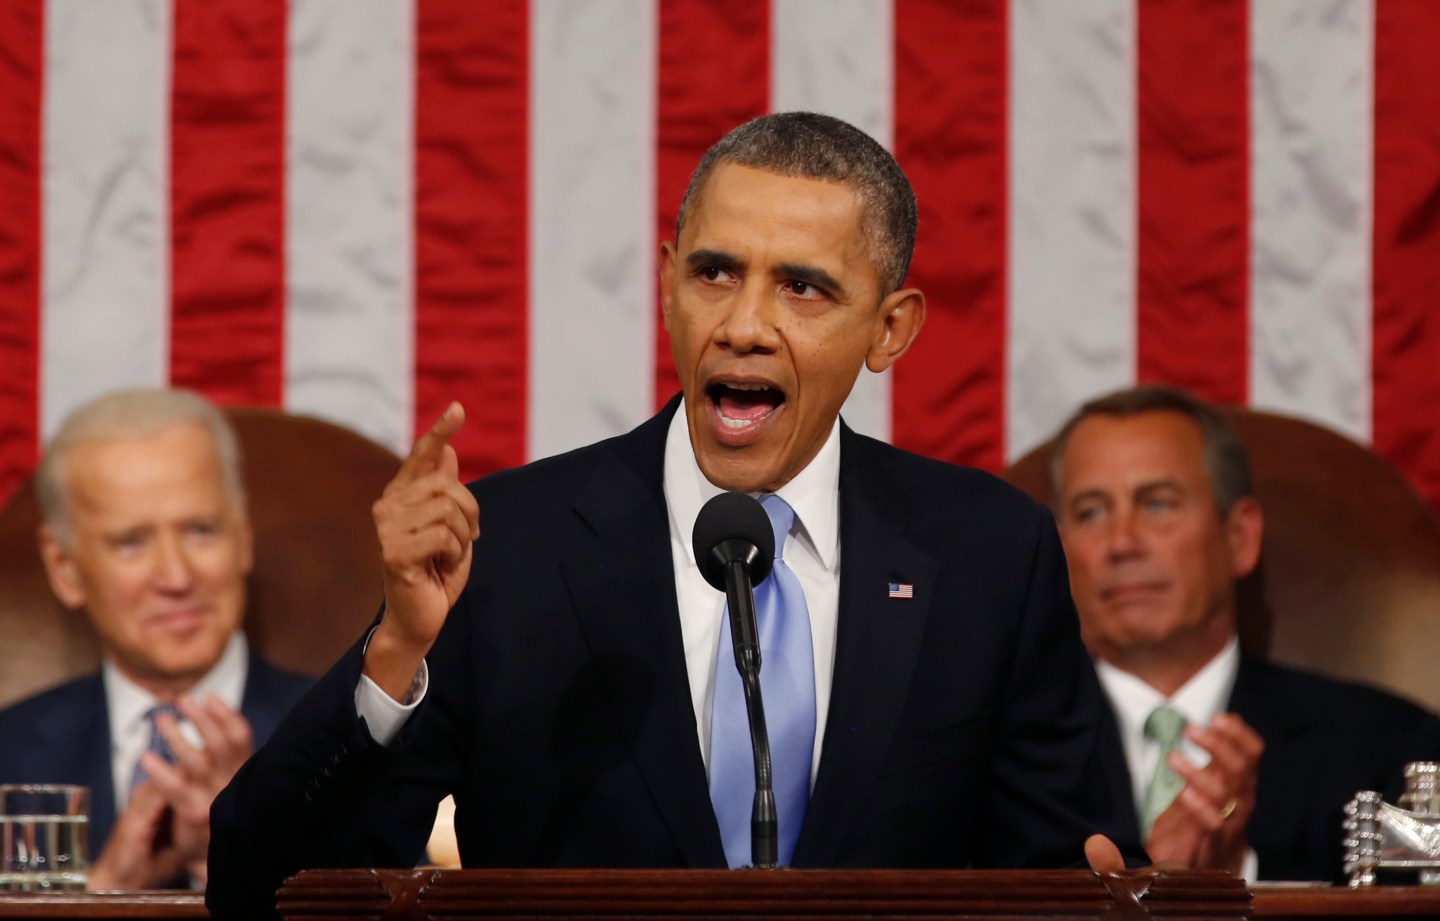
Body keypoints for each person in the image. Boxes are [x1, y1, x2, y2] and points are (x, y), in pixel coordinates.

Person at [207, 112, 1140, 918]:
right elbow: (262, 889)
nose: (744, 323)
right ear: (666, 284)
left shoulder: (987, 555)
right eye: (716, 273)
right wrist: (394, 656)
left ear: (890, 328)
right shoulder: (512, 548)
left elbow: (1060, 876)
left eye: (802, 287)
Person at [1050, 385, 1440, 882]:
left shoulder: (1392, 751)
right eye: (1091, 512)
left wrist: (1237, 876)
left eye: (1157, 504)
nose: (1122, 543)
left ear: (1240, 537)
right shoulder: (995, 756)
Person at [0, 389, 311, 889]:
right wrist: (102, 895)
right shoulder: (7, 753)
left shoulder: (348, 741)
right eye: (132, 542)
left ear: (243, 538)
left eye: (201, 531)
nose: (175, 576)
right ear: (65, 569)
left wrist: (243, 867)